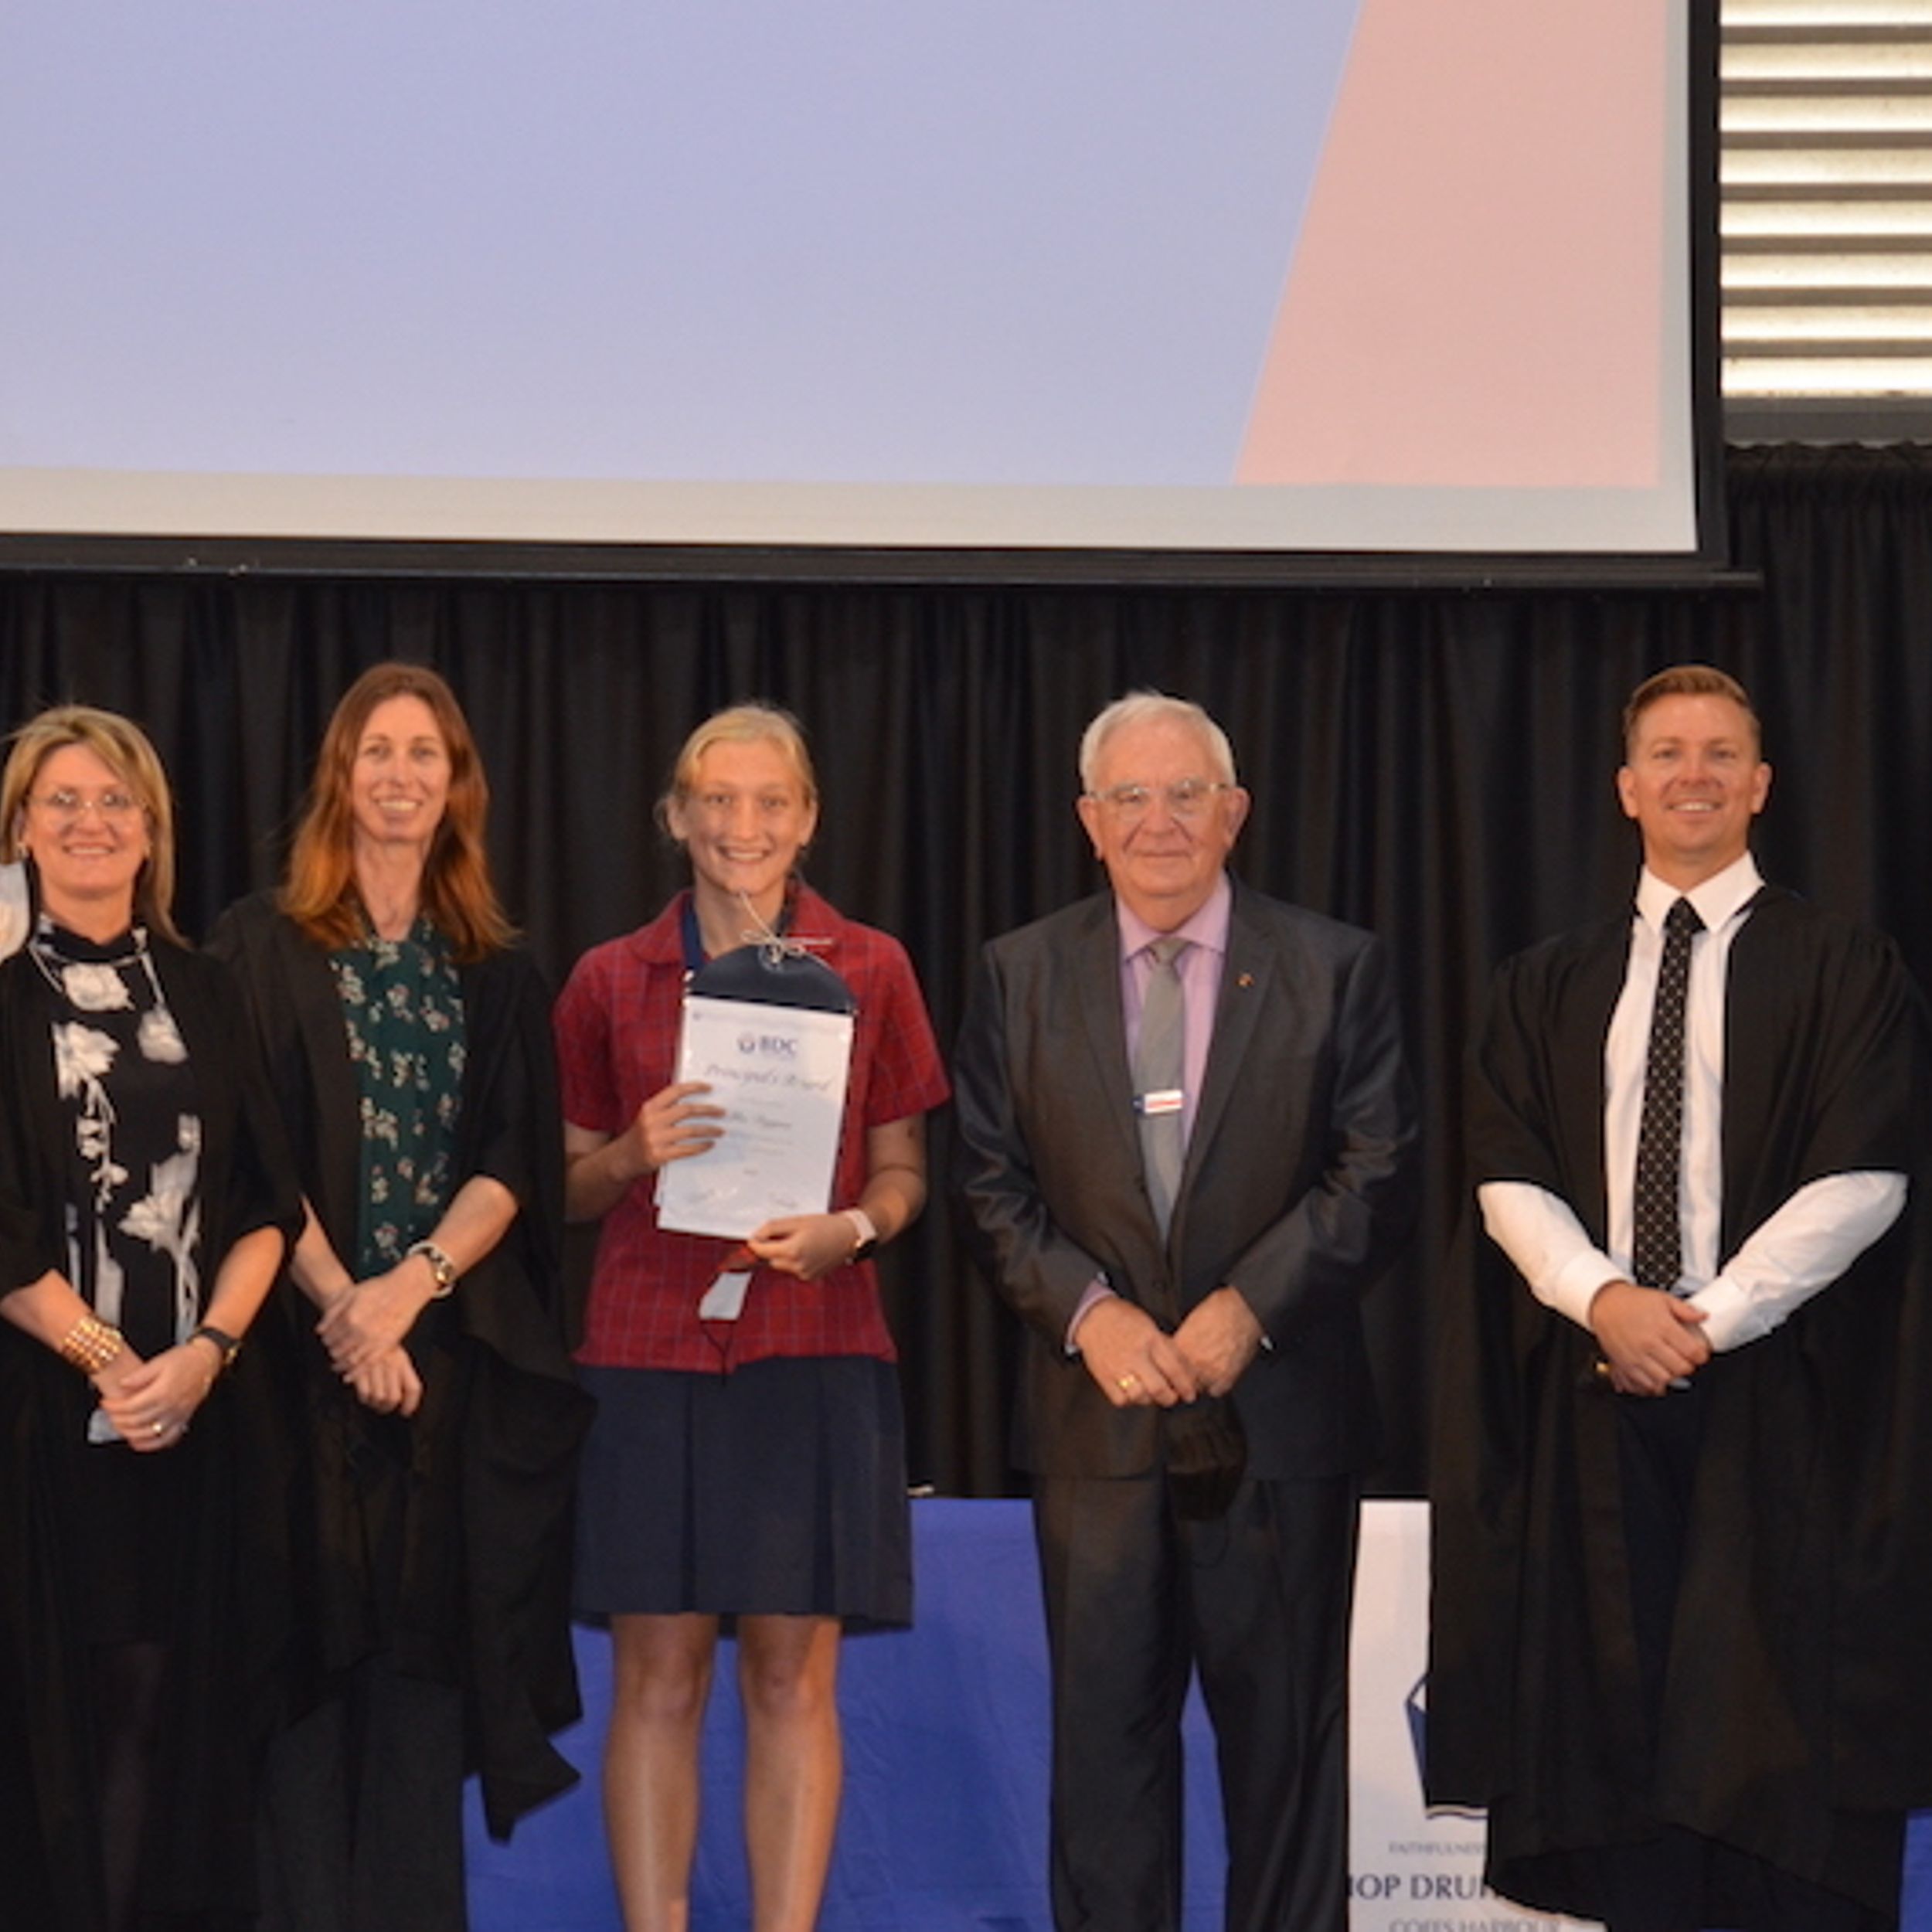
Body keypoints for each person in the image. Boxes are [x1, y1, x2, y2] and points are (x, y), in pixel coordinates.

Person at [1429, 664, 1932, 1932]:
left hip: (1788, 1406)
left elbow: (1866, 1176)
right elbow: (1506, 1176)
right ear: (1625, 788)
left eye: (1718, 754)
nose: (1691, 775)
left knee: (1773, 1746)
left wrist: (1708, 1318)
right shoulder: (1545, 982)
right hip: (1595, 1403)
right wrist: (1608, 1300)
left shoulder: (1847, 967)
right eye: (1666, 753)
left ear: (1760, 785)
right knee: (1620, 1743)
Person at [953, 690, 1419, 1932]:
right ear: (1089, 821)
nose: (1158, 821)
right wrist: (1092, 1315)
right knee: (1104, 1772)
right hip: (1094, 1431)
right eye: (1130, 797)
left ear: (1235, 812)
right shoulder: (1017, 973)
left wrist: (1246, 1311)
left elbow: (1379, 1171)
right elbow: (988, 1186)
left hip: (1281, 1427)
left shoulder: (1336, 966)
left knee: (1288, 1763)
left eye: (1185, 794)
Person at [553, 702, 949, 1932]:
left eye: (771, 801)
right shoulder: (608, 977)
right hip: (646, 1351)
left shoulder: (873, 966)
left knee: (791, 1680)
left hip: (813, 1348)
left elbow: (906, 1172)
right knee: (657, 1681)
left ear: (809, 817)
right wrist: (631, 1155)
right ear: (676, 816)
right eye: (717, 800)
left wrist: (853, 1230)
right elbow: (558, 1187)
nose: (744, 825)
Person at [209, 662, 589, 1932]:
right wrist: (347, 1310)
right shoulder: (257, 944)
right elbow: (251, 1151)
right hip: (290, 1366)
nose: (400, 774)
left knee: (423, 1682)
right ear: (340, 773)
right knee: (301, 1679)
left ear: (458, 784)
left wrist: (408, 1292)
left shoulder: (496, 967)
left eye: (426, 752)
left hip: (443, 1372)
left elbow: (513, 1165)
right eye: (377, 749)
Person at [0, 705, 298, 1932]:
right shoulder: (0, 996)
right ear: (19, 831)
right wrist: (113, 1365)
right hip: (38, 1424)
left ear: (152, 830)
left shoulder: (208, 990)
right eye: (62, 801)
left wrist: (205, 1357)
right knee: (44, 1718)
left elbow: (267, 1204)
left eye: (115, 800)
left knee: (160, 1714)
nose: (91, 822)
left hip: (190, 1425)